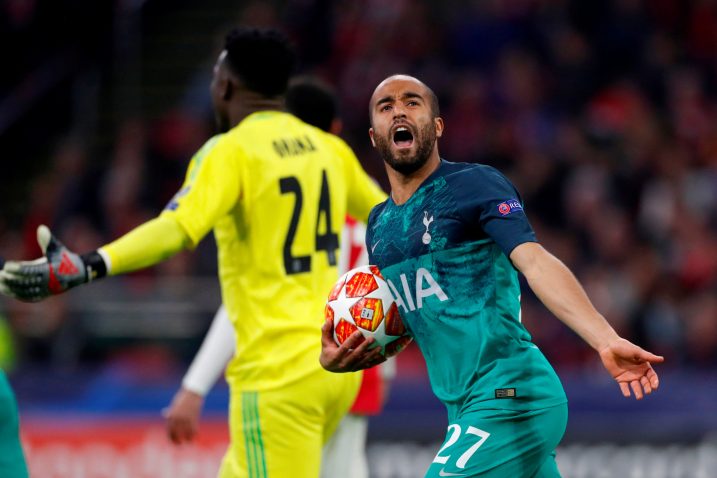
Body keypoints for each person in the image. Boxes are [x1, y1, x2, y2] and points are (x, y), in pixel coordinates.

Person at [0, 27, 387, 478]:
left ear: (226, 85)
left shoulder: (230, 151)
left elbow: (176, 230)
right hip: (332, 363)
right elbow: (387, 214)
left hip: (277, 372)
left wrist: (90, 264)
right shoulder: (329, 149)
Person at [319, 74, 665, 478]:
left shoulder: (473, 185)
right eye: (386, 106)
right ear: (375, 137)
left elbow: (534, 262)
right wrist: (357, 350)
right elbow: (421, 313)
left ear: (437, 126)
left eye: (413, 102)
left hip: (511, 395)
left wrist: (604, 339)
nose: (399, 109)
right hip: (463, 407)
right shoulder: (379, 226)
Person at [163, 78, 392, 478]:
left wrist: (195, 384)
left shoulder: (280, 199)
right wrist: (385, 366)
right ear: (335, 129)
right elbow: (393, 278)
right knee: (345, 468)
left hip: (292, 359)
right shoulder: (364, 193)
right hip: (361, 358)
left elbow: (245, 301)